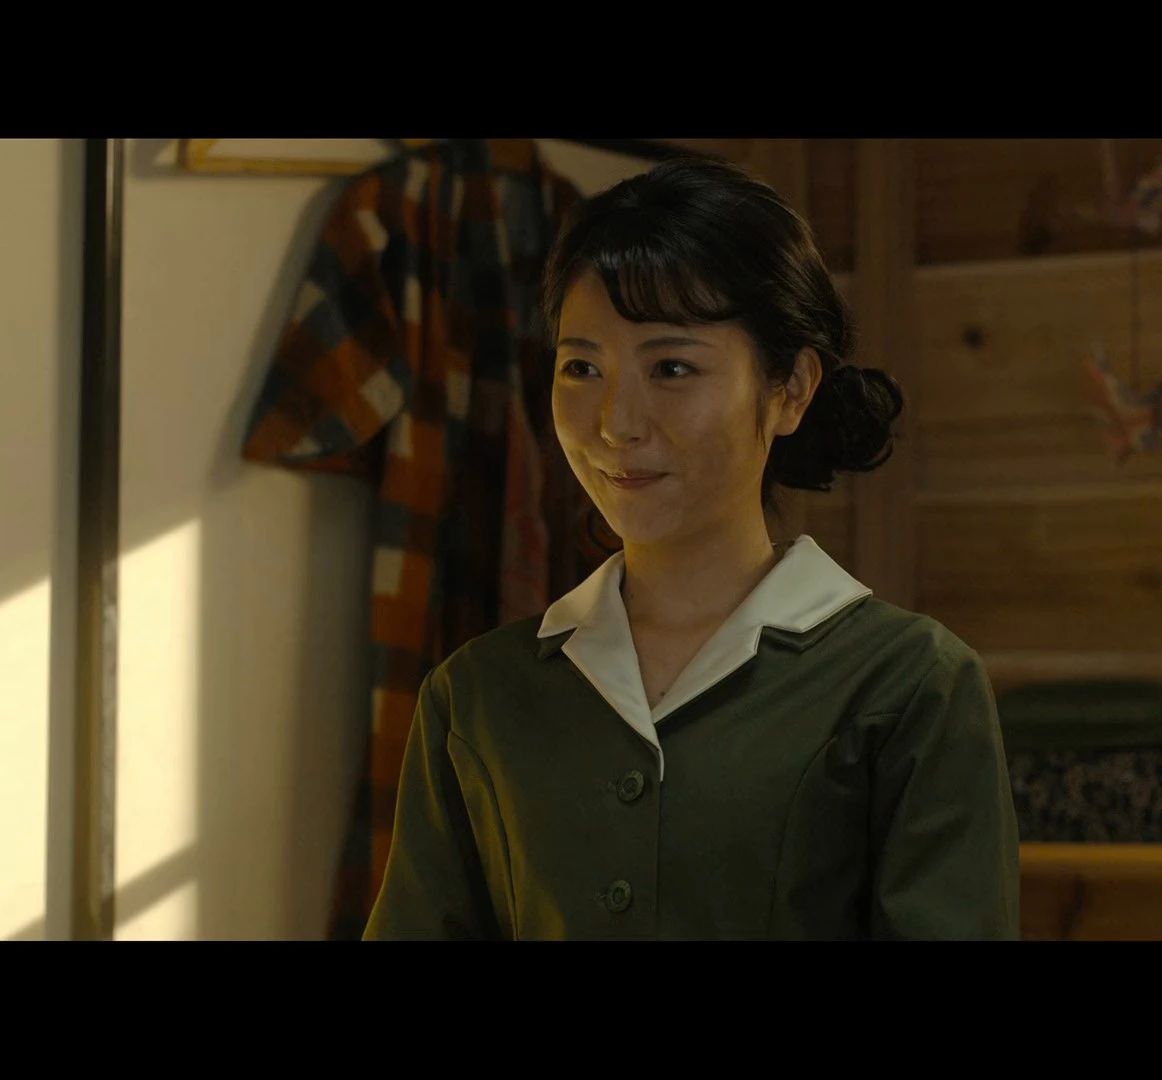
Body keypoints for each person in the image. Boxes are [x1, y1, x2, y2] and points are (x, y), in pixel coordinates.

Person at [362, 155, 1020, 940]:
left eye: (672, 367)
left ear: (790, 390)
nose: (616, 423)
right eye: (581, 367)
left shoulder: (909, 685)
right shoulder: (475, 695)